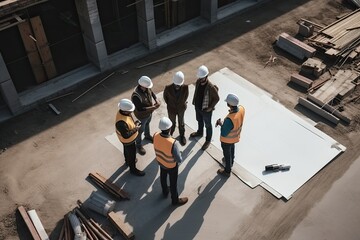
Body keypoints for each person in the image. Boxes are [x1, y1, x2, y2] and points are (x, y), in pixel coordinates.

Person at [153, 117, 188, 206]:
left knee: (163, 177)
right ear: (169, 129)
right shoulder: (173, 142)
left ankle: (165, 192)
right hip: (171, 166)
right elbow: (179, 159)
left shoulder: (155, 135)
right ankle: (175, 200)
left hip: (161, 162)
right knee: (173, 184)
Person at [190, 65, 220, 150]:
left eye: (202, 77)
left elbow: (217, 98)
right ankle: (200, 132)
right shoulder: (198, 82)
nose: (201, 79)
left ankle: (208, 140)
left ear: (206, 76)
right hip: (198, 107)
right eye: (200, 77)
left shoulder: (211, 87)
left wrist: (210, 107)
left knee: (208, 125)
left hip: (206, 110)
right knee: (199, 120)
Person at [215, 93, 245, 177]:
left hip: (227, 140)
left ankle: (227, 170)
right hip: (235, 137)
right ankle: (231, 161)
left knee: (227, 154)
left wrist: (221, 123)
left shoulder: (230, 119)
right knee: (232, 148)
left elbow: (224, 133)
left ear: (229, 104)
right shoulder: (241, 109)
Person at [115, 99, 145, 176]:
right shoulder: (121, 122)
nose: (131, 112)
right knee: (132, 154)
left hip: (126, 141)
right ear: (125, 111)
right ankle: (133, 169)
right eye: (130, 111)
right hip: (128, 141)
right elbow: (126, 135)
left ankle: (127, 161)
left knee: (126, 150)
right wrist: (136, 128)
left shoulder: (123, 113)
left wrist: (134, 124)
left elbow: (127, 125)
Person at [131, 76, 161, 155]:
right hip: (141, 116)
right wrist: (153, 107)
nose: (148, 88)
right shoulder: (136, 95)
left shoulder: (146, 88)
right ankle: (138, 145)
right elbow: (140, 108)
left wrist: (156, 100)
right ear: (142, 86)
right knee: (140, 131)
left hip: (149, 113)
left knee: (147, 124)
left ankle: (147, 136)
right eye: (147, 87)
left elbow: (152, 93)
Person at [163, 71, 189, 146]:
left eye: (179, 85)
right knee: (171, 123)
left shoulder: (185, 87)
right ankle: (170, 135)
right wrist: (171, 105)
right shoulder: (168, 88)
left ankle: (182, 135)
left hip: (181, 109)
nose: (177, 86)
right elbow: (165, 98)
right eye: (176, 85)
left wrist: (181, 104)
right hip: (171, 109)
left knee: (181, 123)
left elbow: (185, 97)